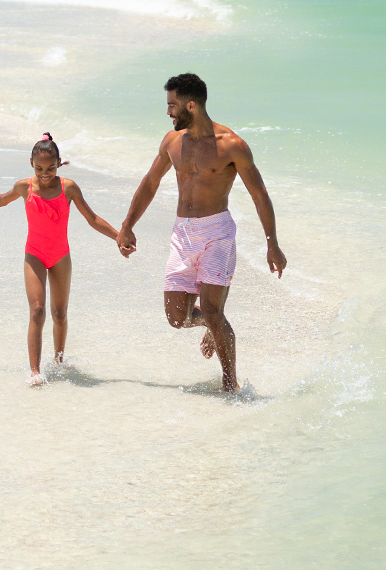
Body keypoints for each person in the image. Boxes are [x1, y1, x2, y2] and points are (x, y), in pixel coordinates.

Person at [116, 73, 286, 393]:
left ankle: (229, 382)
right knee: (177, 317)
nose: (168, 112)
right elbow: (150, 183)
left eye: (172, 106)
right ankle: (212, 324)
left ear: (190, 105)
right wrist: (127, 226)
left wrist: (272, 244)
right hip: (183, 233)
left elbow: (259, 194)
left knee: (211, 309)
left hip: (217, 233)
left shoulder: (231, 146)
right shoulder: (171, 142)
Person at [0, 133, 119, 385]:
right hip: (34, 254)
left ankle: (58, 360)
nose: (45, 173)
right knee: (37, 311)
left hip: (61, 256)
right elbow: (1, 200)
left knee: (59, 313)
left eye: (51, 168)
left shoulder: (68, 187)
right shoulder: (25, 187)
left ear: (59, 163)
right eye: (39, 168)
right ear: (31, 164)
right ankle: (35, 372)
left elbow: (92, 218)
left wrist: (118, 237)